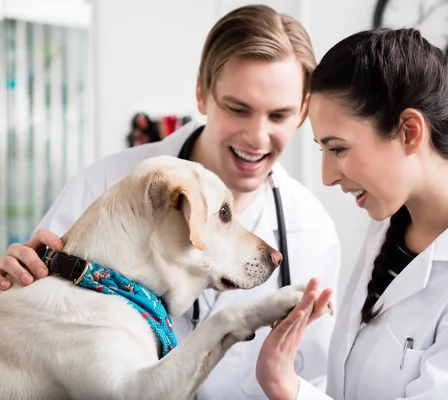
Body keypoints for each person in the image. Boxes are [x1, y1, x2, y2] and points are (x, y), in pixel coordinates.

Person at [0, 5, 341, 399]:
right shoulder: (102, 186)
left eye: (279, 115)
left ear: (303, 112)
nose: (257, 137)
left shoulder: (313, 230)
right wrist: (14, 279)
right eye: (238, 108)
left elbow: (311, 385)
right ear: (202, 93)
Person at [255, 28, 448, 400]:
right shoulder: (386, 226)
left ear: (410, 132)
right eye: (322, 150)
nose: (327, 176)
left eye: (338, 149)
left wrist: (292, 393)